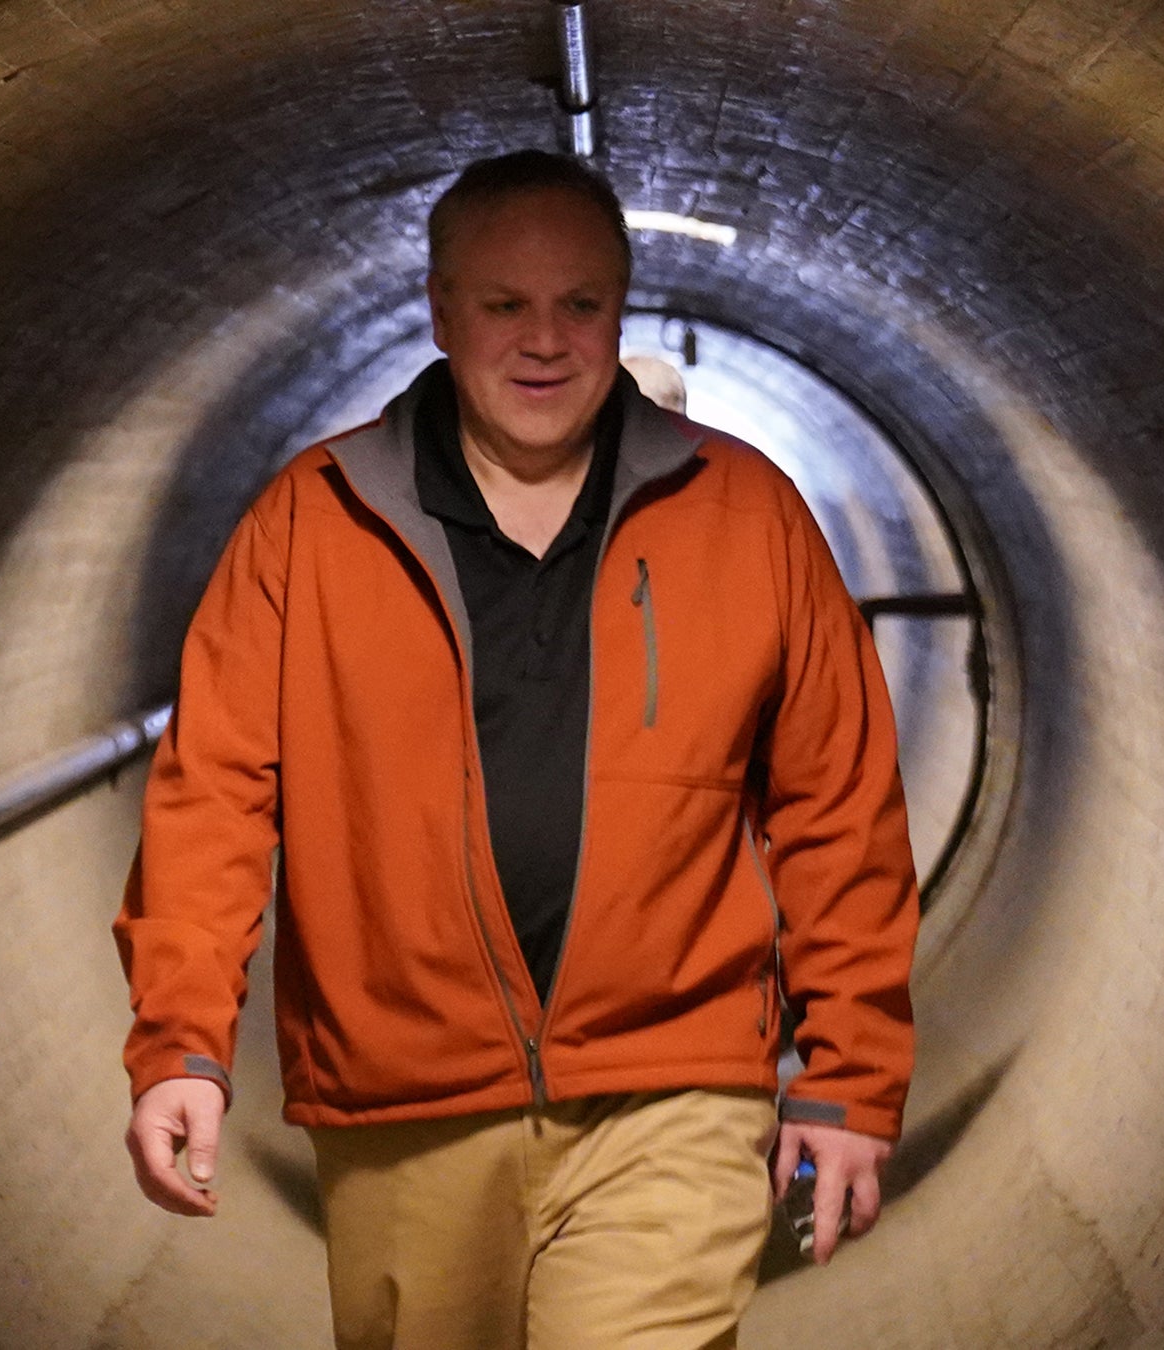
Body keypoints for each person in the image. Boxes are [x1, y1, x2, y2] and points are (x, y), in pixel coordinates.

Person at [115, 149, 919, 1349]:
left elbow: (838, 806)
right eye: (505, 306)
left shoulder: (746, 516)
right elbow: (214, 796)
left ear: (622, 304)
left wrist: (850, 1070)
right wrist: (183, 1040)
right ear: (442, 312)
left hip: (675, 1084)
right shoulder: (317, 520)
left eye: (580, 306)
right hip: (406, 1101)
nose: (545, 341)